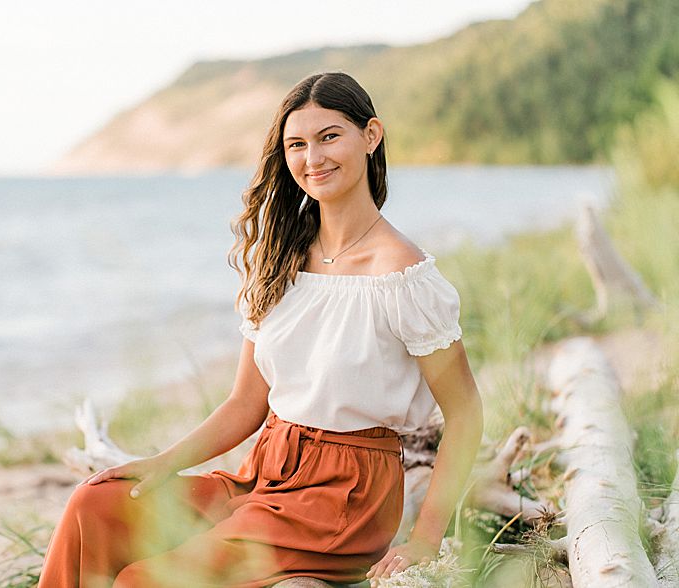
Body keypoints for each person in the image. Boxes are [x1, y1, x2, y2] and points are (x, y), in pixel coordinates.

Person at [37, 72, 484, 587]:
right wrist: (161, 463)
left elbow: (466, 412)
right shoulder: (279, 264)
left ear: (371, 136)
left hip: (344, 499)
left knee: (145, 579)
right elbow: (246, 403)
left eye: (330, 137)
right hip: (264, 471)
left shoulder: (402, 276)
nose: (312, 158)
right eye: (297, 144)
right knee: (95, 504)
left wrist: (425, 538)